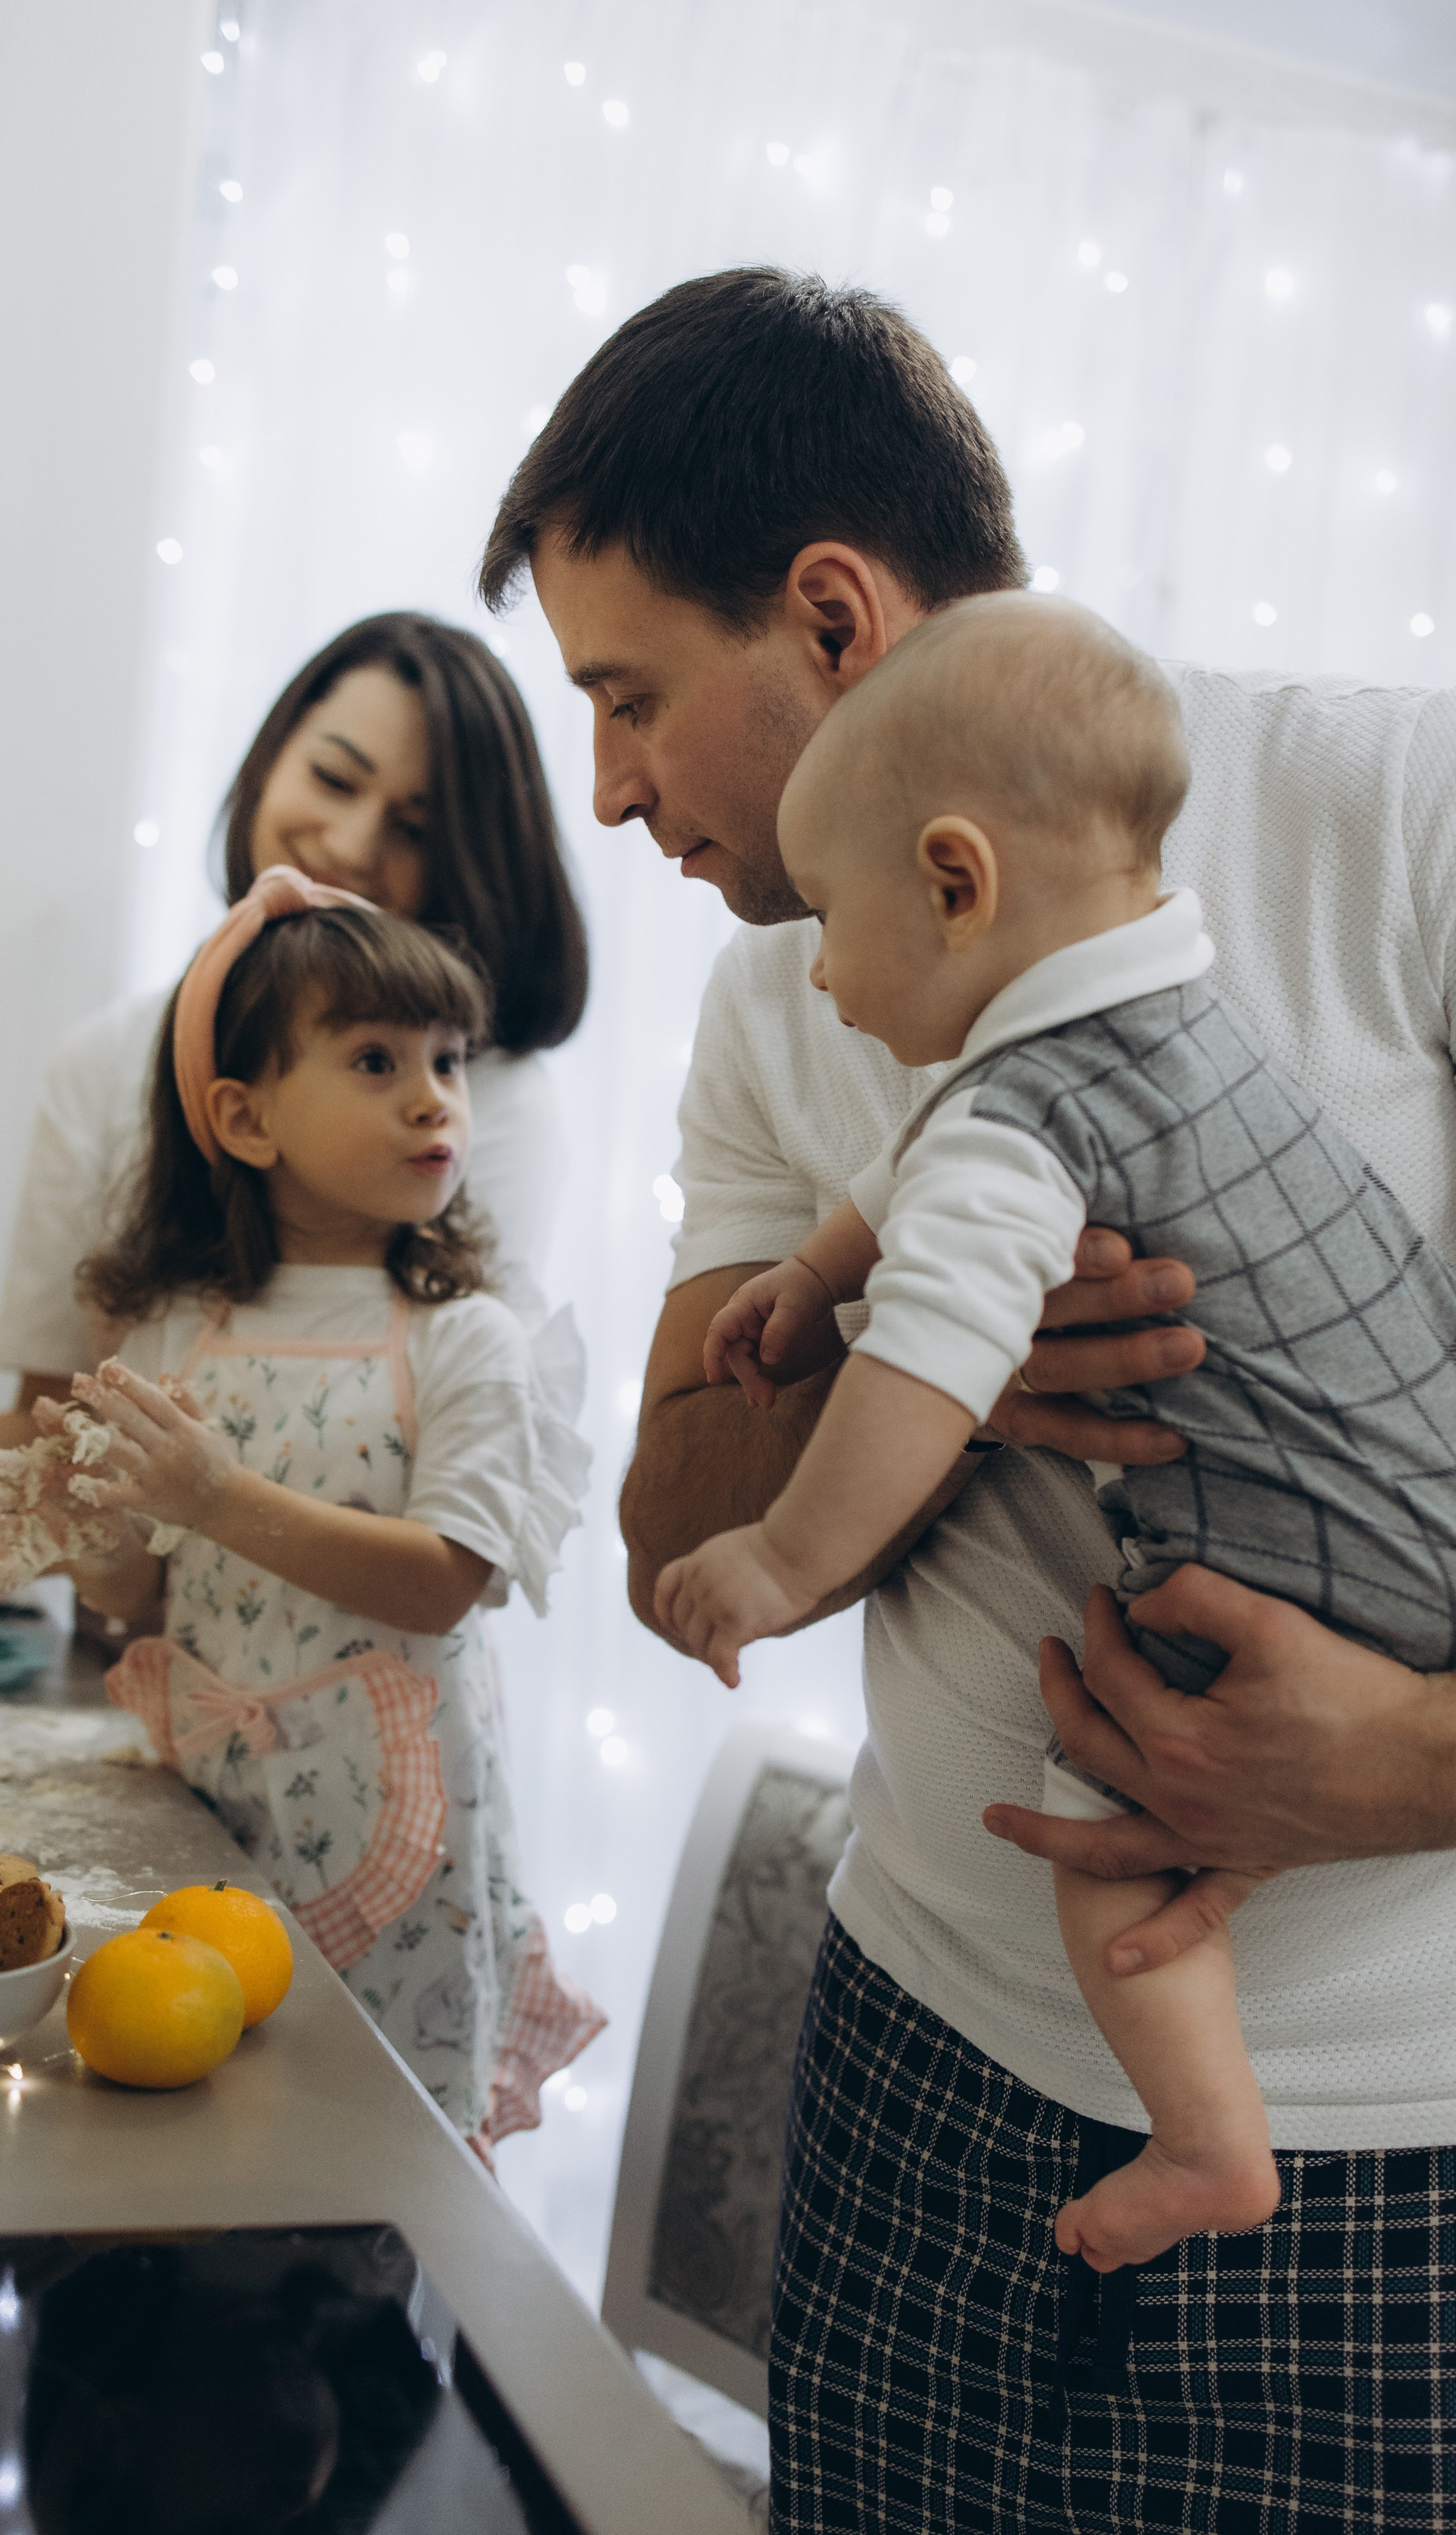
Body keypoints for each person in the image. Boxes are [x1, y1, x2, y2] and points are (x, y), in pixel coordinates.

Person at [480, 269, 1456, 2528]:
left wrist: (1406, 1762)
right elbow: (668, 1536)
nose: (608, 792)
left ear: (832, 617)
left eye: (628, 700)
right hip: (917, 2075)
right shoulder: (782, 998)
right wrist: (938, 1346)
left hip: (1398, 2164)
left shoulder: (1393, 827)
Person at [661, 588, 1456, 2277]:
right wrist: (815, 1271)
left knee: (1099, 1801)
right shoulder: (1157, 985)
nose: (815, 972)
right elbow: (910, 1174)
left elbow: (933, 1359)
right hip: (1417, 1491)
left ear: (953, 882)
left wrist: (783, 1550)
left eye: (833, 922)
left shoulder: (1025, 1116)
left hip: (1312, 1599)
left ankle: (1205, 2137)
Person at [0, 615, 588, 1681]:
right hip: (155, 1695)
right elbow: (54, 1419)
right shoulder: (105, 1060)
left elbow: (423, 1515)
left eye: (416, 828)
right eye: (334, 780)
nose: (349, 844)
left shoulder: (488, 1106)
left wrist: (26, 1532)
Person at [2, 866, 601, 2146]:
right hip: (208, 1807)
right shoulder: (174, 1332)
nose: (435, 1098)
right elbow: (136, 1601)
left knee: (373, 2152)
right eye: (376, 1061)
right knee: (194, 2118)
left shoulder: (467, 1341)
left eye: (448, 1060)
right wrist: (90, 1530)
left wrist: (217, 1495)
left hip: (407, 1834)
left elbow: (445, 1576)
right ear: (247, 1117)